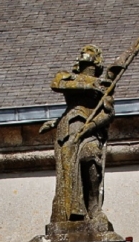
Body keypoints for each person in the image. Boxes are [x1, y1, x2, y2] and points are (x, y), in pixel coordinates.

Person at [40, 44, 117, 229]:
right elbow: (57, 83)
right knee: (68, 173)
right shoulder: (70, 77)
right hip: (68, 129)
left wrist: (91, 126)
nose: (85, 53)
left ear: (97, 59)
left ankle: (94, 209)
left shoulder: (105, 86)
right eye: (84, 51)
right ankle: (70, 215)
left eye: (91, 52)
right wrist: (91, 84)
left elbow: (108, 113)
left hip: (90, 130)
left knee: (90, 156)